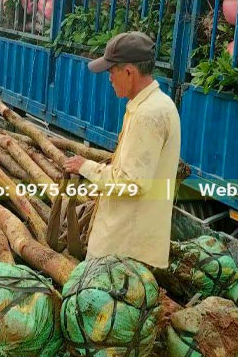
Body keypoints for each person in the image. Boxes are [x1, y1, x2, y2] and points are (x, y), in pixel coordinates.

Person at [63, 31, 181, 270]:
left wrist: (86, 167)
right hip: (129, 244)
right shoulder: (156, 104)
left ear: (129, 72)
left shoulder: (148, 115)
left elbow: (131, 182)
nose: (109, 79)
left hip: (123, 251)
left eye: (111, 71)